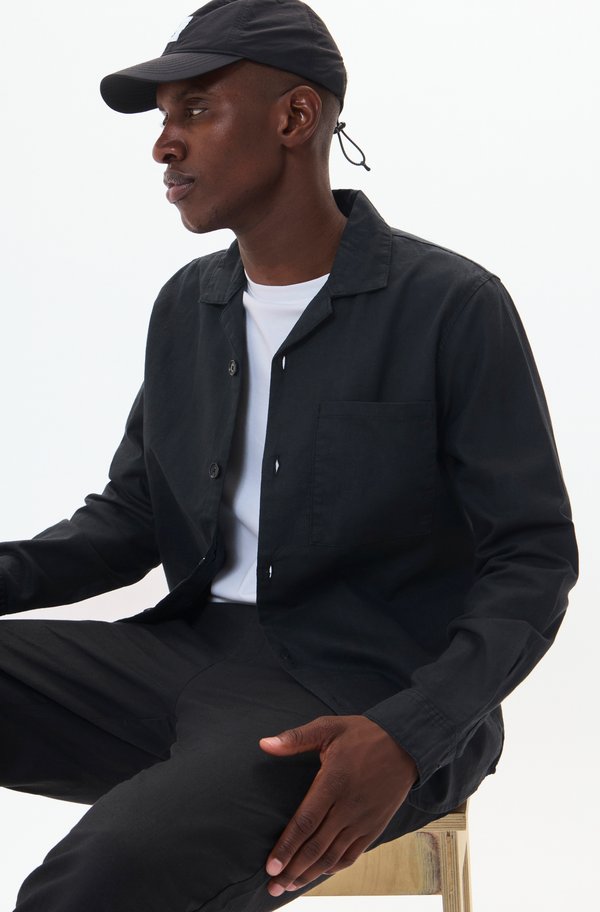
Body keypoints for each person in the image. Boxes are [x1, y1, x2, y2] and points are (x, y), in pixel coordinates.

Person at [0, 0, 578, 910]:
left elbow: (534, 559)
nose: (163, 145)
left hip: (361, 694)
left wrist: (411, 733)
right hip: (181, 656)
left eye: (196, 110)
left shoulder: (450, 305)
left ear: (295, 117)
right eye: (163, 118)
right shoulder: (189, 305)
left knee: (102, 878)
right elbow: (132, 518)